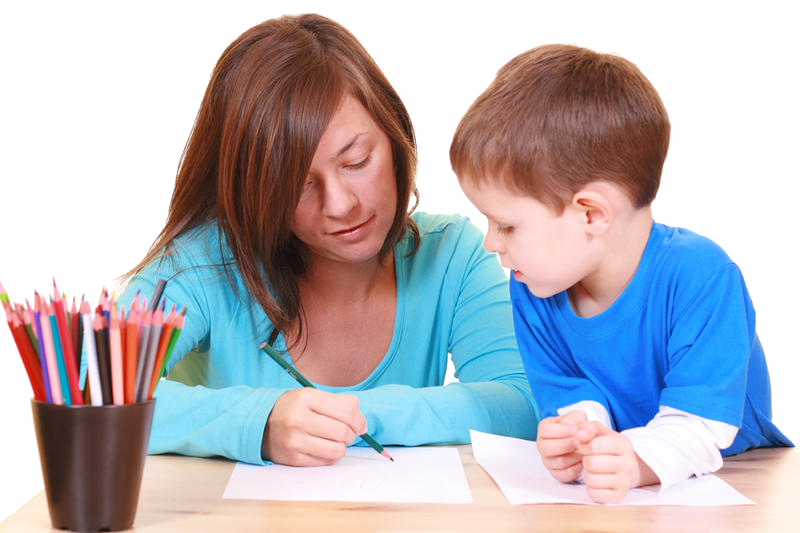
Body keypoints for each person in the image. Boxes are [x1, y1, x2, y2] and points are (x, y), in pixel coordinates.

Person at [117, 13, 539, 467]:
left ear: (393, 136)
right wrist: (259, 422)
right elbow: (88, 388)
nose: (340, 204)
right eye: (297, 185)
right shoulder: (202, 264)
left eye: (356, 162)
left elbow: (522, 402)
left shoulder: (451, 253)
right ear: (254, 188)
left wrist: (355, 417)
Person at [450, 44, 792, 503]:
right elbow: (572, 397)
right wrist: (576, 439)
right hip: (625, 495)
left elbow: (702, 425)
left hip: (739, 477)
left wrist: (634, 462)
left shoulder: (702, 277)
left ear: (591, 214)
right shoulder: (532, 288)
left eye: (506, 225)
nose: (491, 242)